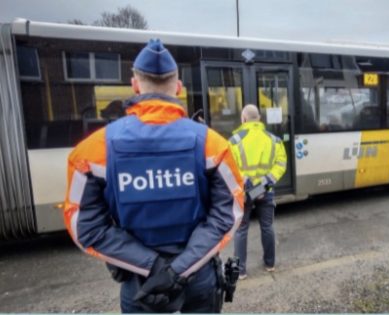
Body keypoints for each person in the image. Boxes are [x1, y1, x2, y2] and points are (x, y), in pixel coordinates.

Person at [63, 39, 244, 313]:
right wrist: (179, 269)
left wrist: (153, 266)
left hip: (140, 283)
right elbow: (228, 213)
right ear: (179, 88)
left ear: (135, 84)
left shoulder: (91, 151)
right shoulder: (213, 144)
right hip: (198, 277)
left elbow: (85, 227)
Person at [229, 104, 287, 279]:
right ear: (259, 119)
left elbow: (229, 168)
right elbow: (280, 165)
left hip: (243, 193)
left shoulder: (234, 141)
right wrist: (262, 186)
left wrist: (248, 186)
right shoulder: (274, 140)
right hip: (265, 191)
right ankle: (270, 264)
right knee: (267, 227)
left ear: (243, 118)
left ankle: (241, 271)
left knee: (241, 230)